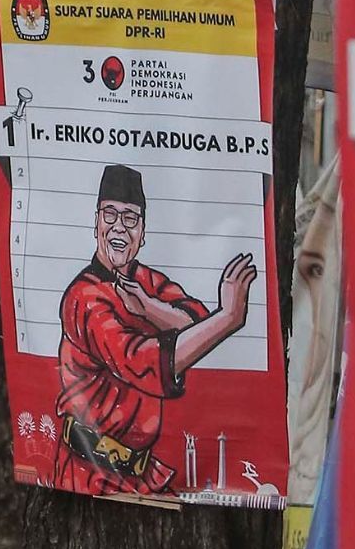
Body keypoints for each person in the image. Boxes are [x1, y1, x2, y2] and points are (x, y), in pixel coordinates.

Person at [53, 163, 256, 497]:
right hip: (88, 474)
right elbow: (144, 362)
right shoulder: (84, 297)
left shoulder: (144, 282)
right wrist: (229, 318)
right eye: (110, 215)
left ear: (143, 232)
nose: (119, 227)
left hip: (141, 474)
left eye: (130, 218)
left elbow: (194, 320)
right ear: (96, 223)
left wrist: (148, 306)